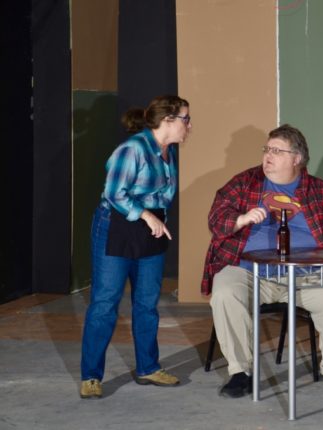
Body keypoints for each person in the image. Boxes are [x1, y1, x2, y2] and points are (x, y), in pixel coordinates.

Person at [201, 124, 323, 398]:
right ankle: (240, 372)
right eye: (266, 149)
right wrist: (241, 220)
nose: (268, 156)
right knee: (225, 292)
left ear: (297, 159)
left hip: (305, 275)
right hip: (249, 271)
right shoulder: (244, 183)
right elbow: (217, 220)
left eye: (277, 151)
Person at [79, 95, 191, 399]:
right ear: (168, 120)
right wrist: (145, 215)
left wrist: (153, 219)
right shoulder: (132, 150)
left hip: (150, 230)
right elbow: (114, 193)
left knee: (146, 303)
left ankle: (148, 368)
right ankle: (91, 376)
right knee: (105, 303)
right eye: (185, 119)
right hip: (117, 227)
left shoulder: (168, 151)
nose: (189, 125)